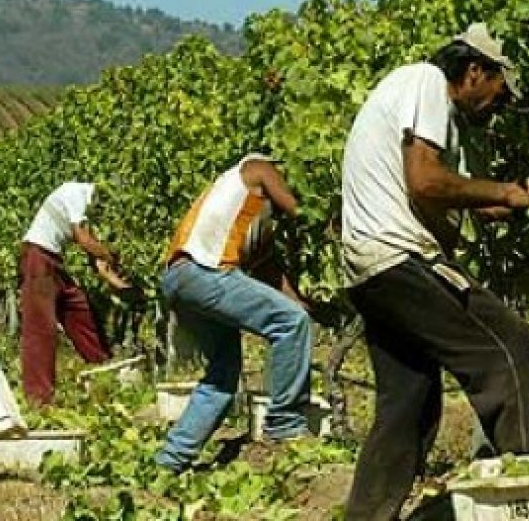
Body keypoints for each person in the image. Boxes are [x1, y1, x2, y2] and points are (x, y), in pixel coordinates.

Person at [339, 23, 529, 520]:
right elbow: (425, 182)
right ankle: (524, 504)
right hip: (397, 257)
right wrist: (502, 192)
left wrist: (483, 206)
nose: (500, 104)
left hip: (369, 267)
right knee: (511, 353)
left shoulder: (417, 99)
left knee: (406, 403)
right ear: (475, 70)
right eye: (500, 89)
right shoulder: (428, 82)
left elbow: (427, 192)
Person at [155, 154, 312, 473]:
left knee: (223, 375)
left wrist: (307, 306)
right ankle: (284, 425)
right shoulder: (257, 167)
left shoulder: (245, 210)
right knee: (290, 324)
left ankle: (170, 461)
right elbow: (301, 211)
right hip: (205, 272)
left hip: (178, 278)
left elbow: (270, 273)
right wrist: (333, 217)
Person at [19, 181, 131, 406]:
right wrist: (111, 256)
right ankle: (39, 399)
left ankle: (103, 368)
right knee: (42, 328)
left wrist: (115, 281)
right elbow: (83, 239)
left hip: (52, 260)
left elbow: (91, 251)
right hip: (37, 258)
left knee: (78, 307)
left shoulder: (82, 210)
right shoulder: (75, 192)